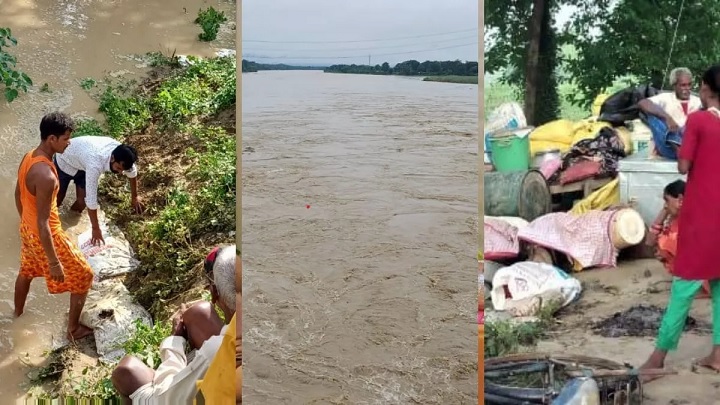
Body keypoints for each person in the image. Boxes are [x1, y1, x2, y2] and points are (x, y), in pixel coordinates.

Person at [640, 64, 720, 377]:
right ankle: (717, 355)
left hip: (703, 213)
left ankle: (657, 358)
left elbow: (683, 166)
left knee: (683, 286)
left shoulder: (699, 119)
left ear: (704, 88)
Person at [111, 245, 237, 404]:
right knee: (200, 313)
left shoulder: (218, 352)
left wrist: (174, 340)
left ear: (213, 293)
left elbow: (165, 398)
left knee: (127, 370)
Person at [13, 112, 95, 341]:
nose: (69, 143)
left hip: (28, 231)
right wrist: (53, 262)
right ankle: (73, 329)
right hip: (47, 234)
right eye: (66, 138)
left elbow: (18, 193)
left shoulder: (29, 156)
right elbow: (43, 222)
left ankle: (16, 315)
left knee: (26, 272)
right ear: (51, 139)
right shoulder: (47, 175)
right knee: (84, 277)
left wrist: (24, 224)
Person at [54, 135, 143, 246]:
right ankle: (50, 226)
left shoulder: (125, 157)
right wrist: (95, 229)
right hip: (65, 159)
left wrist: (134, 197)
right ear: (112, 158)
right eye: (118, 168)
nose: (120, 173)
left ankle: (67, 220)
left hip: (84, 163)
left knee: (81, 203)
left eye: (123, 170)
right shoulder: (95, 163)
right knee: (57, 199)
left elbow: (132, 173)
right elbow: (91, 200)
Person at [647, 180, 710, 298]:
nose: (665, 205)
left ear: (680, 199)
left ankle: (702, 287)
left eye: (666, 200)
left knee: (669, 244)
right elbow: (649, 242)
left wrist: (664, 251)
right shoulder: (675, 219)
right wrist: (664, 211)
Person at [638, 67, 702, 160]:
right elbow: (643, 103)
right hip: (669, 149)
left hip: (690, 146)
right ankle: (676, 145)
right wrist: (667, 117)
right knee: (652, 115)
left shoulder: (698, 101)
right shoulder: (665, 98)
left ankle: (681, 147)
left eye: (689, 85)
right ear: (674, 85)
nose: (687, 88)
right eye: (683, 85)